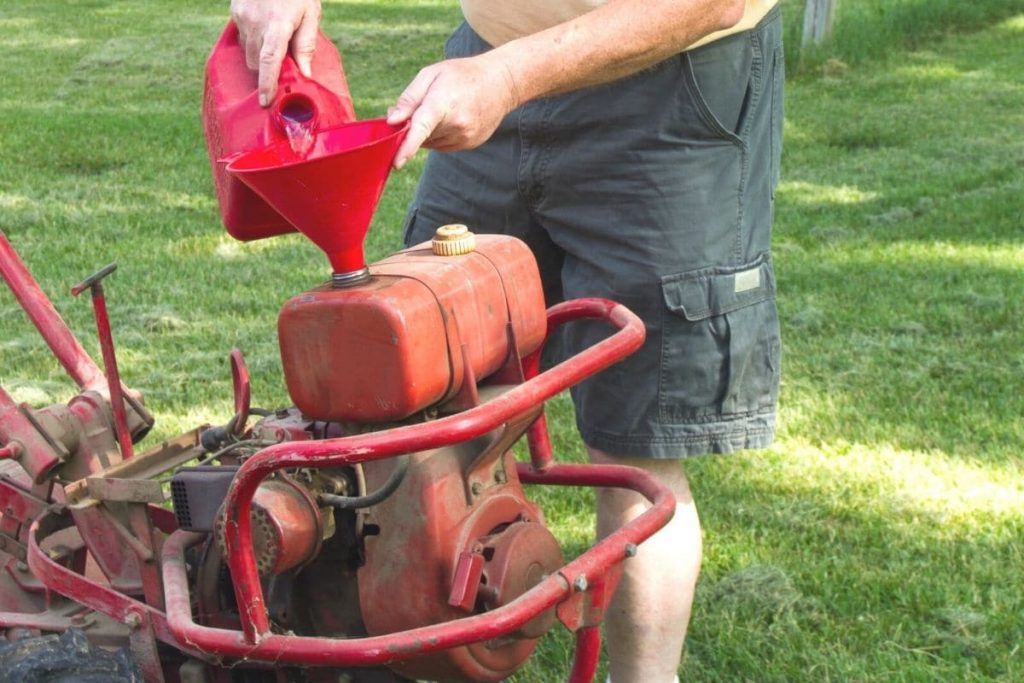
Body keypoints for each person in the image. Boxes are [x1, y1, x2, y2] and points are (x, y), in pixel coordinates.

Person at [231, 1, 783, 681]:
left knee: (637, 445)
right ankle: (416, 646)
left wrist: (509, 78)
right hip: (486, 57)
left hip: (670, 80)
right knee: (419, 399)